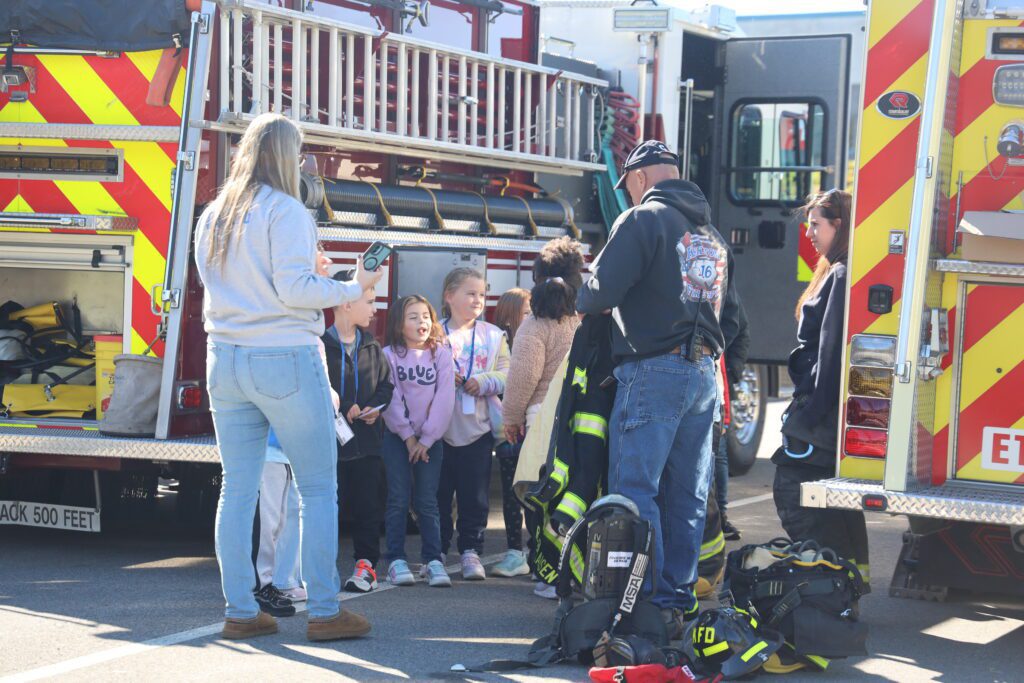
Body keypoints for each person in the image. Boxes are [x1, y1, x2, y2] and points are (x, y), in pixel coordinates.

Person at [195, 112, 381, 641]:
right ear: (285, 156)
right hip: (283, 357)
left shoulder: (214, 215)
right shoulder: (289, 211)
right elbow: (294, 292)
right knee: (319, 488)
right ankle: (324, 611)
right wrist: (351, 285)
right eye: (298, 153)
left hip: (224, 357)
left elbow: (232, 283)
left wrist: (308, 275)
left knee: (237, 489)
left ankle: (240, 608)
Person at [576, 140, 743, 638]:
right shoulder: (712, 236)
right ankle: (675, 600)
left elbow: (597, 292)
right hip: (703, 376)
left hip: (652, 370)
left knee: (635, 491)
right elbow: (732, 318)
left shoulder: (642, 220)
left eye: (626, 185)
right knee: (687, 494)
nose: (625, 195)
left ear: (641, 179)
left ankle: (641, 603)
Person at [772, 189, 869, 580]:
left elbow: (829, 354)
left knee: (792, 492)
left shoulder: (841, 275)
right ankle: (851, 581)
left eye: (816, 224)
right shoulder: (836, 269)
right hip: (825, 412)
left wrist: (810, 412)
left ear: (839, 226)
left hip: (819, 414)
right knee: (839, 507)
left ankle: (828, 580)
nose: (808, 232)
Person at [502, 237, 584, 597]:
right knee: (574, 494)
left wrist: (510, 417)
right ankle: (572, 568)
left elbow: (522, 378)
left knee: (540, 495)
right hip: (581, 419)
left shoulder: (534, 327)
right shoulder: (582, 321)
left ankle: (545, 570)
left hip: (540, 421)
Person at [323, 271, 394, 594]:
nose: (375, 308)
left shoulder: (372, 346)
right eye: (369, 301)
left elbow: (385, 386)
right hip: (330, 444)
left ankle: (365, 566)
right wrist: (345, 405)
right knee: (326, 506)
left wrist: (375, 407)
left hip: (366, 444)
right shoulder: (320, 345)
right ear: (346, 303)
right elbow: (317, 387)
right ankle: (319, 568)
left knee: (368, 505)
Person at [439, 267, 510, 580]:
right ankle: (437, 548)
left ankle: (471, 550)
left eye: (482, 294)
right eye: (470, 293)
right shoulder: (434, 334)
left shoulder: (494, 336)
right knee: (438, 493)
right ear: (449, 296)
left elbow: (508, 375)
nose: (477, 300)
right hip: (439, 429)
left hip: (478, 429)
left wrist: (483, 381)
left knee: (475, 495)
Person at [381, 295, 456, 587]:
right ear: (399, 324)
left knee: (428, 501)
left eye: (425, 316)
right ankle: (396, 560)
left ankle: (433, 560)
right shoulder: (388, 354)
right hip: (398, 439)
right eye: (412, 317)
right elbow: (391, 398)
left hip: (430, 442)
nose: (421, 322)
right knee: (398, 498)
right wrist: (409, 437)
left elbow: (444, 398)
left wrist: (426, 439)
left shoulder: (441, 353)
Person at [491, 288, 533, 579]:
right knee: (510, 494)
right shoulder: (499, 343)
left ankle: (536, 551)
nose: (532, 317)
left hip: (531, 430)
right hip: (508, 431)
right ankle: (515, 552)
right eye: (527, 313)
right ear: (510, 315)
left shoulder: (535, 341)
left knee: (534, 493)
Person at [717, 302, 750, 541]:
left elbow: (741, 329)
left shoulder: (722, 271)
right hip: (712, 382)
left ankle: (719, 518)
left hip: (715, 382)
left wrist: (732, 371)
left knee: (717, 454)